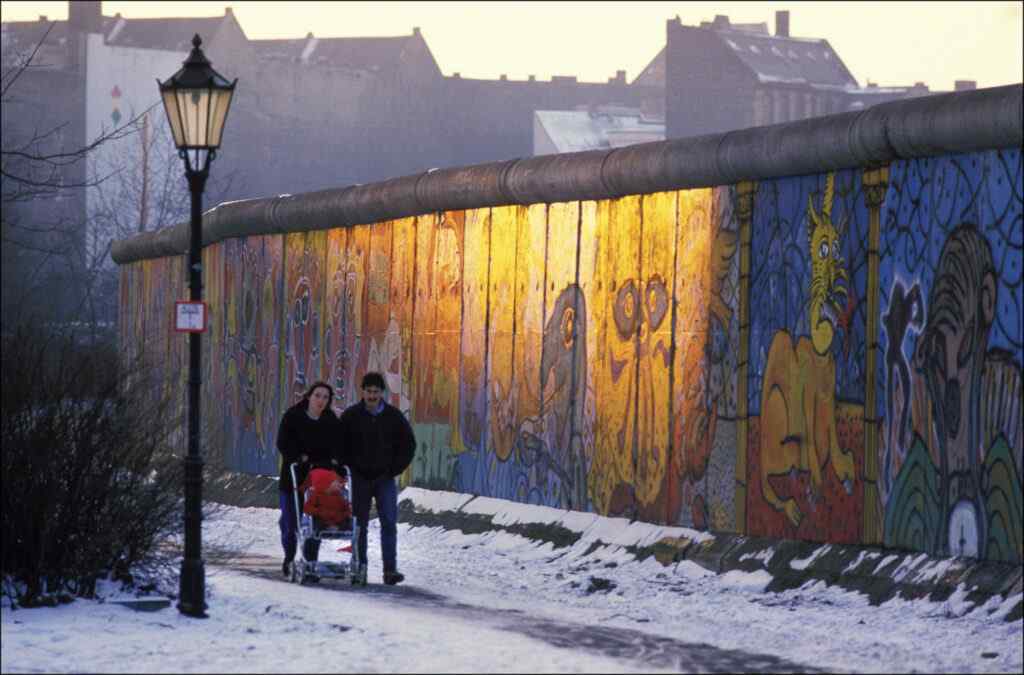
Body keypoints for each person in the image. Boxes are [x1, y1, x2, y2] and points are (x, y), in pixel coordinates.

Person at [338, 371, 416, 586]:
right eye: (369, 391)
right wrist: (348, 468)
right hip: (359, 478)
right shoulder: (351, 416)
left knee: (389, 523)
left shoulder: (393, 417)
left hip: (385, 478)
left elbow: (408, 444)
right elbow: (340, 444)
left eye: (376, 392)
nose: (372, 396)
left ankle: (390, 570)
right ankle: (359, 568)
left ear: (382, 393)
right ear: (362, 391)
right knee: (358, 524)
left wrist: (394, 469)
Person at [275, 381, 341, 579]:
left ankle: (310, 561)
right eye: (317, 396)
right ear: (309, 396)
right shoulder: (293, 416)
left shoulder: (330, 420)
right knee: (290, 523)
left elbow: (338, 444)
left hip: (318, 478)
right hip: (294, 476)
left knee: (315, 522)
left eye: (325, 397)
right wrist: (298, 457)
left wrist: (335, 462)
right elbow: (283, 443)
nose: (321, 400)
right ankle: (289, 557)